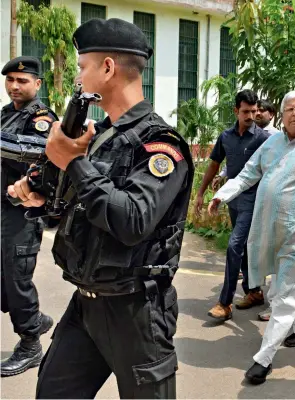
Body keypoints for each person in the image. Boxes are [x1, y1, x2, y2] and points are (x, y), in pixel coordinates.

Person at [8, 18, 193, 398]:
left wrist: (72, 161)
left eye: (82, 67)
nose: (77, 77)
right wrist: (42, 199)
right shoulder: (102, 136)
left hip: (137, 313)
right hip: (86, 304)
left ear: (107, 68)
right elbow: (82, 210)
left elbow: (131, 220)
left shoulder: (160, 145)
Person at [208, 91, 295, 384]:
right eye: (290, 109)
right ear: (281, 115)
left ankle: (264, 356)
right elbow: (248, 174)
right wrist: (222, 196)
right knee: (291, 285)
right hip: (268, 229)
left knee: (282, 293)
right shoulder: (271, 143)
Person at [1, 56, 56, 377]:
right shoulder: (7, 114)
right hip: (3, 209)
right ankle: (34, 320)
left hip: (24, 211)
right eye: (10, 80)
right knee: (4, 278)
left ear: (37, 84)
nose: (14, 86)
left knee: (16, 277)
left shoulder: (41, 118)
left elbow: (37, 150)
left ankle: (30, 342)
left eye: (22, 81)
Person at [196, 90, 270, 321]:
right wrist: (200, 193)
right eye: (246, 111)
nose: (251, 116)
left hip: (253, 200)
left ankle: (224, 303)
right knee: (246, 247)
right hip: (234, 200)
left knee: (234, 246)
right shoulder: (226, 136)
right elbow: (214, 165)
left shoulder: (263, 138)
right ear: (236, 110)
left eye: (254, 111)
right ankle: (254, 291)